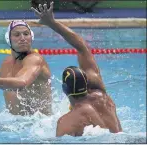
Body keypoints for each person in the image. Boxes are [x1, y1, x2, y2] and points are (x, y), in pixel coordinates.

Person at [31, 2, 122, 136]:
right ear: (87, 83)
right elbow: (82, 46)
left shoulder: (66, 122)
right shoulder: (101, 95)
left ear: (64, 89)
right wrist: (52, 23)